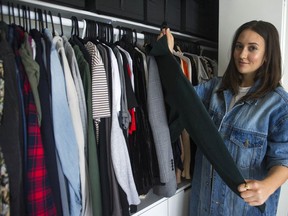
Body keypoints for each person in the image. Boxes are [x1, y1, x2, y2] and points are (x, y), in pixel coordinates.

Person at [156, 20, 288, 215]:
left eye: (252, 48)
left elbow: (283, 158)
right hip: (203, 206)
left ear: (267, 55)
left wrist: (267, 186)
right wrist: (167, 55)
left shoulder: (278, 105)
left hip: (240, 209)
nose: (242, 55)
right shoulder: (215, 89)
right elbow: (181, 97)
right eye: (238, 46)